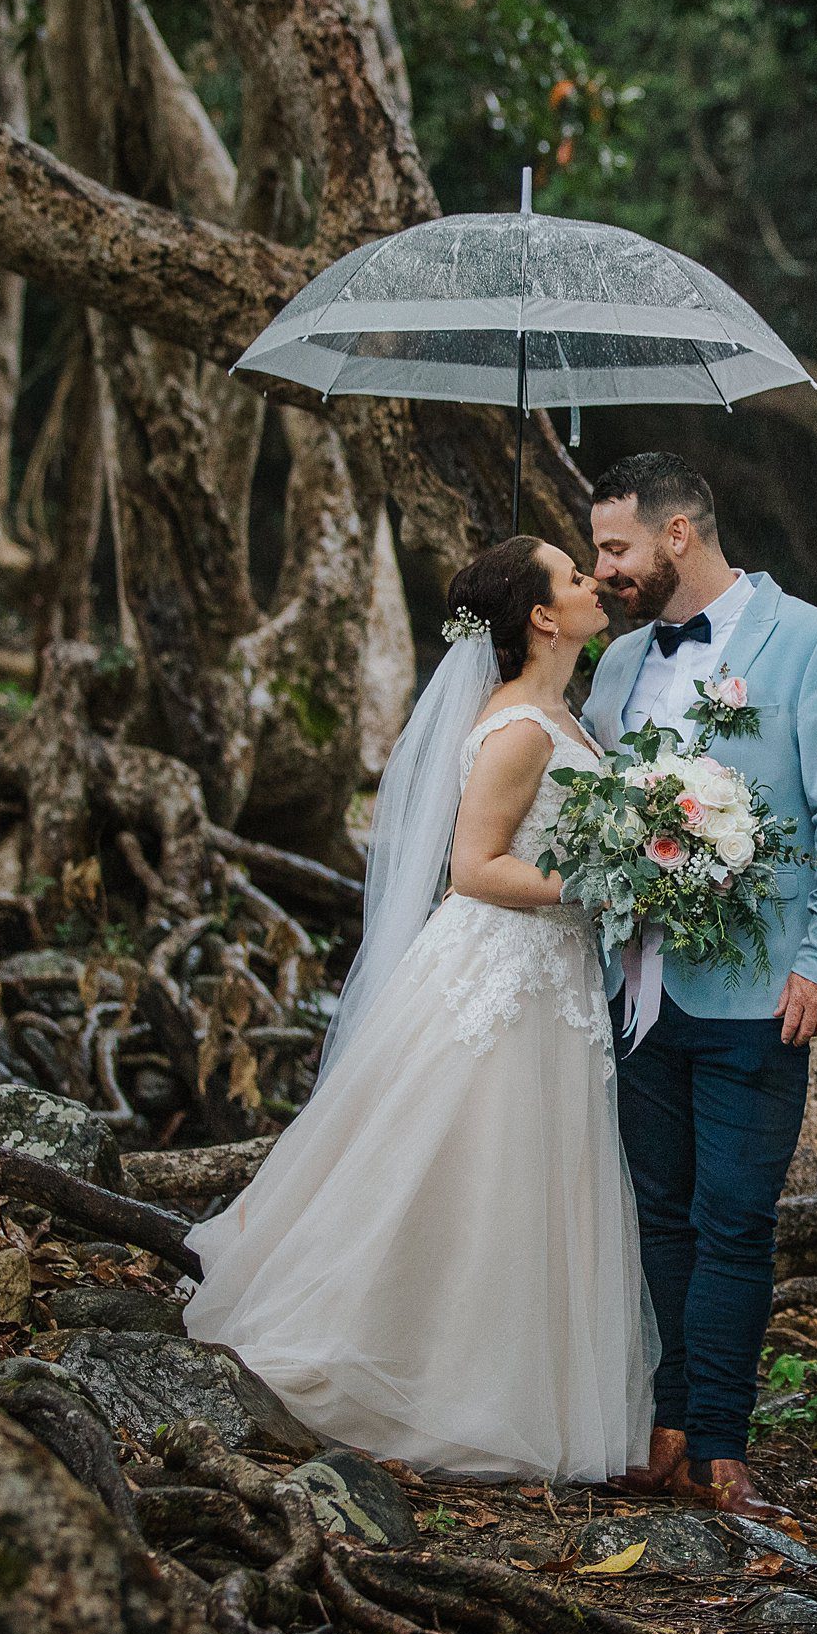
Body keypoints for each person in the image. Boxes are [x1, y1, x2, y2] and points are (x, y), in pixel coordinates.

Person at [181, 537, 656, 1481]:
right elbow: (474, 867)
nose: (593, 582)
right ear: (542, 617)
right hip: (503, 972)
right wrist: (598, 884)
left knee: (513, 1176)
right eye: (573, 576)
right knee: (465, 1167)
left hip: (548, 974)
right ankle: (401, 1367)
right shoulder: (522, 728)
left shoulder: (560, 711)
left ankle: (496, 1380)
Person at [584, 452, 817, 1521]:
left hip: (761, 989)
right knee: (658, 1213)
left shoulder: (815, 644)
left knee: (735, 1216)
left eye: (614, 549)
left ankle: (720, 1444)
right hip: (636, 988)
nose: (603, 571)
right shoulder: (619, 663)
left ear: (677, 534)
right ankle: (665, 1430)